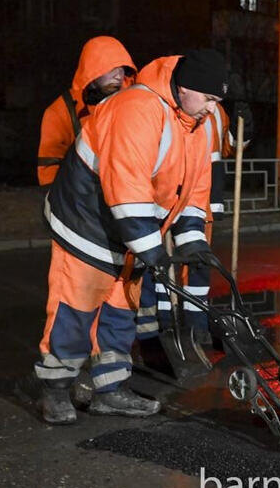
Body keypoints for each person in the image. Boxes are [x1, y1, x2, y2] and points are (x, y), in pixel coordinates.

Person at [36, 49, 227, 424]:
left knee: (121, 311)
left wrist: (192, 241)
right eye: (208, 98)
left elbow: (194, 189)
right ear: (185, 88)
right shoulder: (136, 108)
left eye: (217, 101)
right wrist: (151, 249)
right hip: (87, 222)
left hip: (129, 230)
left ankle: (110, 389)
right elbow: (127, 186)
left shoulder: (197, 123)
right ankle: (55, 390)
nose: (212, 109)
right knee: (75, 309)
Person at [134, 100, 253, 352]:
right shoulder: (168, 106)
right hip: (164, 196)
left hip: (200, 199)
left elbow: (230, 148)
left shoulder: (216, 111)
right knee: (160, 263)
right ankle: (166, 323)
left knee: (199, 262)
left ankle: (197, 325)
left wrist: (244, 129)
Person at [36, 36, 136, 186]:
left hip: (131, 186)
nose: (118, 75)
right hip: (83, 192)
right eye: (111, 68)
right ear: (92, 70)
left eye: (122, 68)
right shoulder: (61, 112)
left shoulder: (137, 99)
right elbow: (49, 170)